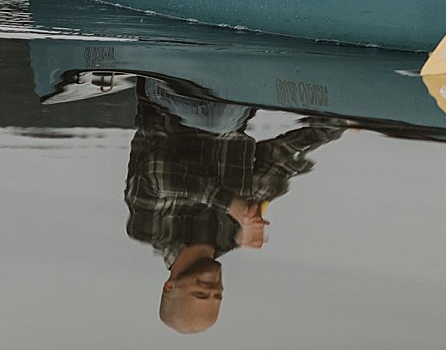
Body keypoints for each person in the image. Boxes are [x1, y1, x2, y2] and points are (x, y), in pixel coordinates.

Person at [123, 77, 346, 334]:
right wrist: (339, 125)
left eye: (200, 295)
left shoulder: (148, 228)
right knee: (328, 118)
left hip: (167, 89)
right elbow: (279, 160)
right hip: (233, 99)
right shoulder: (231, 234)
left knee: (218, 121)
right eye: (217, 297)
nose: (213, 290)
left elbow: (157, 174)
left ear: (170, 286)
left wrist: (233, 205)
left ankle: (247, 78)